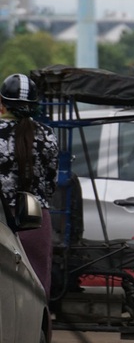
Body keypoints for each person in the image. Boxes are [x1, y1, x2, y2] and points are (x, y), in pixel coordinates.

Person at [0, 73, 59, 298]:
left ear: (2, 102)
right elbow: (51, 183)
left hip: (2, 220)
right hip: (35, 219)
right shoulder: (47, 136)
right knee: (37, 292)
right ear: (34, 105)